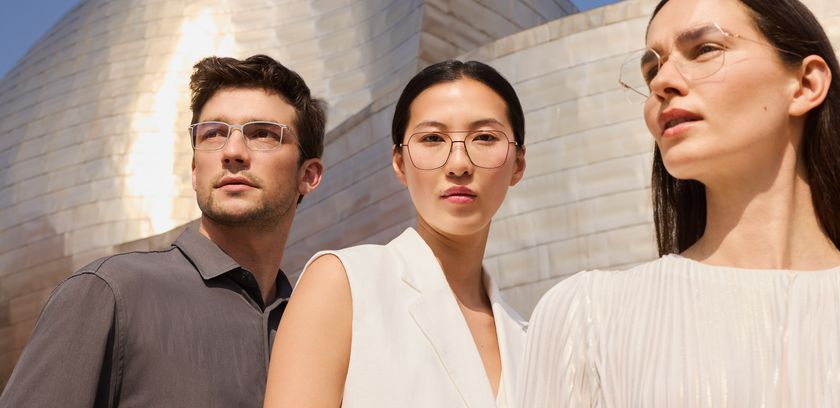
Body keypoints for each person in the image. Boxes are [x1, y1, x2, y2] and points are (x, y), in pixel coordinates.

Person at [518, 0, 840, 406]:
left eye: (705, 49)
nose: (662, 82)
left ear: (806, 84)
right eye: (652, 69)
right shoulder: (587, 318)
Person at [0, 54, 325, 407]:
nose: (232, 152)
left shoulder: (315, 328)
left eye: (262, 133)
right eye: (213, 134)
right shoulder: (112, 291)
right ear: (194, 169)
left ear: (308, 175)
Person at [263, 60, 528, 408]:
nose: (458, 163)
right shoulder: (343, 283)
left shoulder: (529, 338)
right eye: (432, 138)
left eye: (485, 138)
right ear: (400, 163)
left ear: (518, 164)